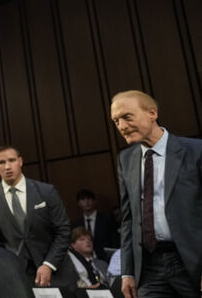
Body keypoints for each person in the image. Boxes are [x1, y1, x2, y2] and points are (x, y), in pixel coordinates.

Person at [111, 90, 202, 298]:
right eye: (116, 121)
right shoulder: (125, 160)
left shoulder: (196, 151)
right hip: (150, 267)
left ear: (152, 113)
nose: (122, 127)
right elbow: (129, 220)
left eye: (127, 117)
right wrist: (127, 271)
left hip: (192, 262)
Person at [0, 146, 72, 287]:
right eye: (1, 162)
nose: (7, 166)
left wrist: (49, 264)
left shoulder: (46, 191)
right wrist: (7, 265)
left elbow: (63, 230)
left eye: (12, 160)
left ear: (20, 161)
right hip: (16, 277)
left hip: (56, 271)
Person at [72, 188, 117, 259]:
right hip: (85, 259)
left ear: (94, 201)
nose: (86, 202)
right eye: (83, 199)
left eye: (89, 199)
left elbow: (114, 240)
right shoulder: (76, 224)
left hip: (107, 258)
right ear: (78, 203)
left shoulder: (107, 219)